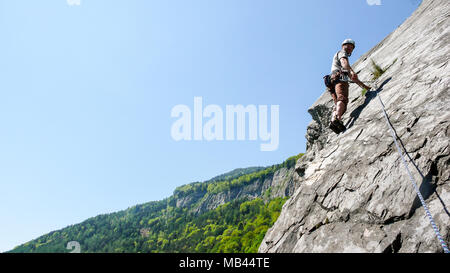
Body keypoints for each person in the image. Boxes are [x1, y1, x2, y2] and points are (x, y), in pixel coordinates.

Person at [328, 39, 372, 132]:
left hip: (332, 81)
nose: (350, 48)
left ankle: (333, 121)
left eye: (352, 48)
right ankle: (337, 119)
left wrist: (365, 87)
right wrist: (351, 71)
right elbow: (344, 62)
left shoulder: (345, 66)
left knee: (338, 103)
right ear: (343, 46)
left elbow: (354, 79)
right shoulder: (341, 53)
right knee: (342, 98)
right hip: (339, 78)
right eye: (348, 46)